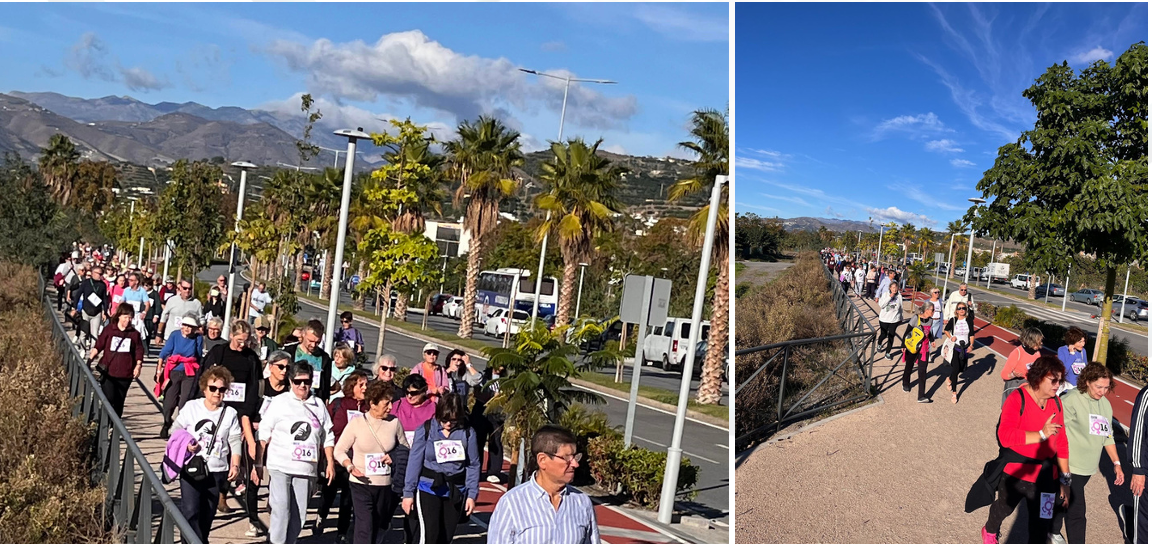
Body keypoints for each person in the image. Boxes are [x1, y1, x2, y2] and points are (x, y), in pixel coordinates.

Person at [981, 355, 1071, 544]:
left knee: (1041, 525)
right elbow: (1005, 437)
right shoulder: (1017, 398)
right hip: (1017, 472)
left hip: (1048, 476)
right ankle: (989, 529)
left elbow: (1062, 442)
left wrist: (1065, 481)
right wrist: (1040, 434)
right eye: (1053, 380)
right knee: (1004, 508)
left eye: (1060, 380)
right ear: (1038, 377)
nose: (1057, 385)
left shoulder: (1056, 403)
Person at [258, 361, 336, 544]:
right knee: (281, 509)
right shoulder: (279, 402)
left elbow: (328, 435)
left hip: (306, 469)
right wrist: (257, 463)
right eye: (298, 381)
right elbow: (264, 432)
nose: (303, 386)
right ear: (291, 381)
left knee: (299, 515)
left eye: (307, 382)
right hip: (280, 465)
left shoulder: (318, 405)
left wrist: (330, 462)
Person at [1050, 363, 1124, 544]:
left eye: (1107, 387)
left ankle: (1050, 528)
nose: (1103, 392)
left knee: (1058, 500)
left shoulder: (1105, 405)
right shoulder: (1072, 399)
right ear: (1087, 381)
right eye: (1099, 387)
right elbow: (1056, 429)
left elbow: (1108, 436)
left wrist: (1117, 463)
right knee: (1076, 510)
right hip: (1069, 464)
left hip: (1087, 468)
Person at [488, 425, 599, 544]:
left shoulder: (582, 503)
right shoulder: (512, 503)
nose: (575, 464)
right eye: (567, 458)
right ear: (542, 460)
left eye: (575, 457)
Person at [196, 319, 263, 515]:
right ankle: (209, 490)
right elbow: (205, 378)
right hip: (217, 408)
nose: (243, 345)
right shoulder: (219, 352)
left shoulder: (251, 358)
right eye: (240, 340)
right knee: (214, 449)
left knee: (232, 454)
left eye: (247, 341)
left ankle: (222, 494)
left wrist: (248, 414)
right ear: (232, 336)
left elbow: (255, 387)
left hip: (241, 412)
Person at [174, 366, 243, 543]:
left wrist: (235, 464)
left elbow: (235, 440)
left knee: (207, 515)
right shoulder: (192, 407)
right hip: (191, 467)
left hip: (217, 470)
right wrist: (186, 444)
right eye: (213, 388)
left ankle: (200, 540)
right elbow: (176, 431)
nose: (217, 393)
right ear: (204, 388)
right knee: (190, 511)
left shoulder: (230, 414)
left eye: (222, 389)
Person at [335, 379, 408, 544]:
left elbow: (405, 449)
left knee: (378, 527)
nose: (390, 407)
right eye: (386, 403)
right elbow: (339, 450)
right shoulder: (357, 423)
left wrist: (393, 457)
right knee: (364, 527)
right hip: (360, 483)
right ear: (373, 403)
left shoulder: (394, 422)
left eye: (391, 402)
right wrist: (349, 466)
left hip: (385, 486)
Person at [402, 392, 480, 544]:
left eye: (453, 420)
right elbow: (414, 462)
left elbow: (473, 464)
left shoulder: (468, 433)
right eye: (445, 420)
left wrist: (472, 495)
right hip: (428, 488)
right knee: (430, 536)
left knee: (446, 537)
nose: (449, 424)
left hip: (455, 490)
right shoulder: (426, 429)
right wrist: (408, 493)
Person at [246, 350, 293, 537]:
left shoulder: (290, 391)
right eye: (280, 367)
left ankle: (276, 517)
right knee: (254, 478)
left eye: (287, 368)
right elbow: (245, 415)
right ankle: (253, 519)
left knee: (278, 480)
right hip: (256, 437)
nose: (284, 371)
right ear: (271, 367)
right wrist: (250, 440)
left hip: (280, 441)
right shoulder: (259, 387)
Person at [318, 370, 369, 540]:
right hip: (337, 457)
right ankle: (321, 516)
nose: (365, 387)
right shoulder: (339, 404)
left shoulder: (369, 408)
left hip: (356, 461)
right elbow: (328, 429)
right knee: (329, 493)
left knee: (348, 500)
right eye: (361, 384)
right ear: (352, 386)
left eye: (366, 384)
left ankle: (341, 533)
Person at [88, 303, 145, 417]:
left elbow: (139, 351)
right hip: (109, 372)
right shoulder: (109, 330)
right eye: (125, 317)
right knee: (108, 399)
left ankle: (113, 429)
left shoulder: (134, 334)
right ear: (119, 316)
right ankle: (100, 425)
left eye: (130, 317)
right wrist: (89, 361)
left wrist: (138, 365)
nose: (128, 320)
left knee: (119, 402)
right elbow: (99, 346)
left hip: (125, 374)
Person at [158, 316, 205, 439]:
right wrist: (159, 370)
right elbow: (164, 352)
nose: (187, 329)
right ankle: (167, 422)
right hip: (174, 370)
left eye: (190, 327)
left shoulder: (198, 338)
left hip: (189, 372)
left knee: (185, 402)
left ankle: (179, 429)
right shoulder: (175, 335)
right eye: (185, 325)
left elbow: (198, 356)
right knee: (169, 402)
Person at [472, 364, 505, 483]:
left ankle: (494, 471)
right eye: (498, 363)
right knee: (478, 440)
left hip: (496, 412)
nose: (499, 367)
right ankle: (477, 469)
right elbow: (477, 392)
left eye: (502, 365)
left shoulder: (505, 381)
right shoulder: (483, 377)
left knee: (495, 440)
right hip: (481, 409)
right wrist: (490, 397)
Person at [901, 301, 936, 403]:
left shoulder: (930, 320)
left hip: (924, 348)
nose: (934, 312)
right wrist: (903, 345)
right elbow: (907, 331)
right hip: (912, 347)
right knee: (909, 366)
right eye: (932, 310)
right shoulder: (916, 318)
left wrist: (932, 340)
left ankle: (921, 396)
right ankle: (905, 383)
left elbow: (928, 333)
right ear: (926, 310)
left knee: (922, 371)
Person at [942, 302, 975, 404]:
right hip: (955, 348)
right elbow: (946, 330)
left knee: (961, 369)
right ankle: (955, 393)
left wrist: (971, 345)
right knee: (956, 369)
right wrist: (951, 337)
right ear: (956, 311)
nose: (962, 310)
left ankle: (950, 378)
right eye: (960, 308)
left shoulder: (969, 320)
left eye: (963, 308)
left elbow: (972, 335)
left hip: (964, 348)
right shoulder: (953, 320)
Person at [1002, 327, 1045, 405]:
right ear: (1031, 341)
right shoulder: (1017, 353)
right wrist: (1013, 375)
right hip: (1016, 388)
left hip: (1030, 388)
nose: (1041, 343)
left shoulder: (1037, 354)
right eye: (1039, 340)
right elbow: (1004, 374)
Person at [294, 320, 334, 402]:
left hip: (314, 400)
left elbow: (326, 384)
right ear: (303, 334)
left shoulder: (325, 358)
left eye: (317, 342)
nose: (313, 345)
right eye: (310, 341)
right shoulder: (290, 352)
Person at [72, 265, 110, 349]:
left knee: (94, 334)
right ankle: (83, 350)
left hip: (97, 312)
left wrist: (105, 311)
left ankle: (92, 352)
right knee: (83, 333)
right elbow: (78, 294)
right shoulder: (86, 283)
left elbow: (105, 299)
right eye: (98, 273)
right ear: (92, 273)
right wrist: (74, 307)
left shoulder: (103, 285)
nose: (100, 275)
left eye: (101, 274)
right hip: (85, 311)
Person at [1128, 386, 1147, 544]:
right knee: (1144, 520)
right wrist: (1138, 469)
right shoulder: (1148, 395)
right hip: (1146, 471)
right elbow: (1137, 433)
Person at [876, 282, 904, 360]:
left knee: (891, 336)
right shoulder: (885, 294)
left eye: (896, 287)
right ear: (890, 288)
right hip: (884, 319)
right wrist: (890, 297)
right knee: (883, 335)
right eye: (893, 287)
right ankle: (879, 344)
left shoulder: (899, 296)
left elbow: (901, 307)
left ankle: (887, 353)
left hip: (894, 320)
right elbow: (881, 305)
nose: (895, 289)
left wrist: (901, 317)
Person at [1056, 327, 1088, 393]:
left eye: (1084, 341)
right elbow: (1063, 371)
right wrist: (1072, 354)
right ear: (1072, 341)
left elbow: (1086, 370)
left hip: (1080, 389)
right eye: (1080, 342)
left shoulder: (1083, 351)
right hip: (1067, 390)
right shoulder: (1062, 350)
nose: (1083, 344)